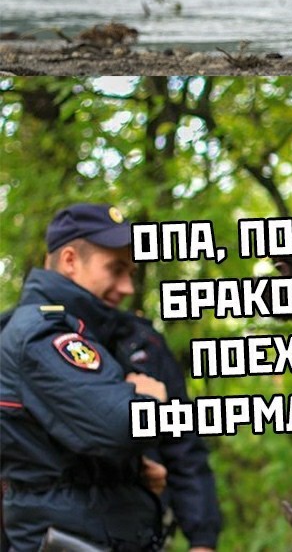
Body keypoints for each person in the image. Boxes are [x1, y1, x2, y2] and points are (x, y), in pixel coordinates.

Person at [0, 204, 221, 552]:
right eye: (115, 269)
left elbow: (179, 446)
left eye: (131, 272)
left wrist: (135, 475)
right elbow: (122, 424)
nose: (128, 286)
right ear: (70, 260)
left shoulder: (116, 335)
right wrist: (149, 400)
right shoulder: (40, 335)